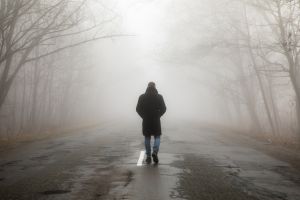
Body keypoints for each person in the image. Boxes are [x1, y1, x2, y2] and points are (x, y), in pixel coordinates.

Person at [136, 82, 166, 164]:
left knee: (147, 137)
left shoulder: (142, 97)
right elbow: (164, 108)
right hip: (156, 120)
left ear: (147, 87)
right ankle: (155, 152)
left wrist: (143, 116)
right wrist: (159, 115)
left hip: (146, 120)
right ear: (155, 87)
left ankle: (148, 156)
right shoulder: (159, 97)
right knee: (157, 136)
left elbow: (138, 109)